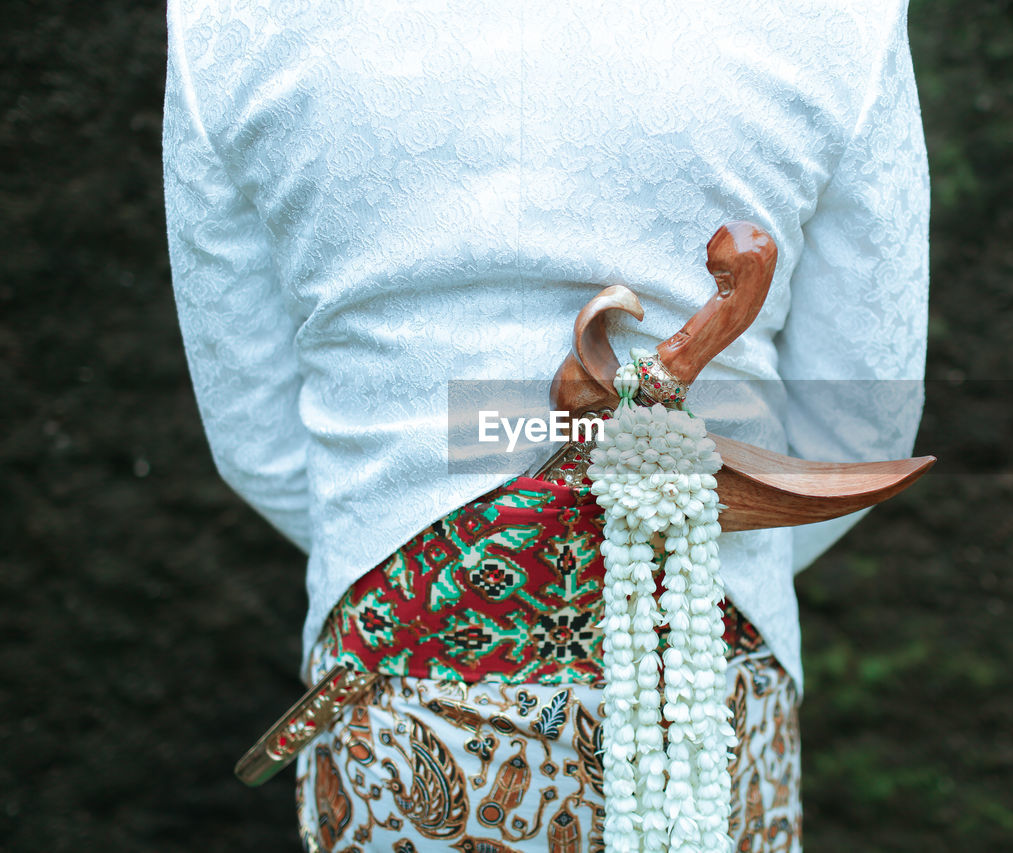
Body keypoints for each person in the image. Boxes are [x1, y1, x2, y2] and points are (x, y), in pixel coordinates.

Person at [162, 1, 929, 850]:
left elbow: (257, 440)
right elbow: (860, 429)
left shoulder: (228, 21)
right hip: (709, 678)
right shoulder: (838, 18)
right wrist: (670, 521)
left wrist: (434, 539)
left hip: (391, 665)